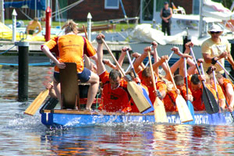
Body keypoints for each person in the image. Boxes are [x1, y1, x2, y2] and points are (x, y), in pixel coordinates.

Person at [41, 20, 99, 110]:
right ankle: (88, 107)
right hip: (78, 71)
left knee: (56, 82)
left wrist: (56, 62)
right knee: (96, 80)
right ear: (75, 31)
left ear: (65, 31)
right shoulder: (83, 39)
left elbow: (43, 47)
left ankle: (62, 105)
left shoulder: (58, 38)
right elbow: (95, 57)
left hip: (60, 70)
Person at [96, 34, 131, 112]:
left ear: (120, 79)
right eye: (112, 83)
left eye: (116, 83)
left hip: (122, 113)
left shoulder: (125, 85)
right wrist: (100, 44)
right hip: (105, 112)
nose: (114, 86)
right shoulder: (106, 78)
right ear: (109, 79)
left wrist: (131, 81)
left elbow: (140, 90)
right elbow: (99, 60)